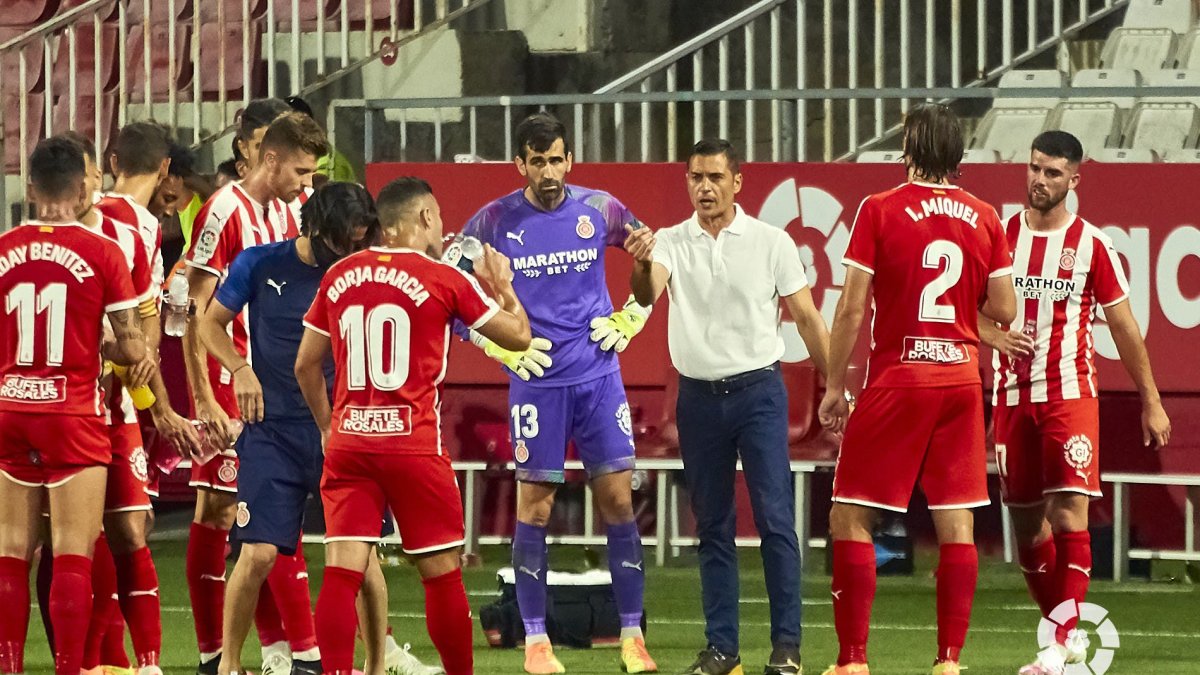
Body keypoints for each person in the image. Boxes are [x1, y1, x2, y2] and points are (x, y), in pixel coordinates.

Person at [297, 176, 532, 675]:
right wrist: (505, 288)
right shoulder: (445, 278)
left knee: (341, 573)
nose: (442, 228)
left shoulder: (339, 275)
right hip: (413, 445)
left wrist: (327, 425)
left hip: (350, 442)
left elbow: (305, 365)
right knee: (441, 574)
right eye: (439, 218)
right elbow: (517, 338)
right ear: (424, 217)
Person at [816, 104, 1017, 675]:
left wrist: (835, 386)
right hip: (959, 381)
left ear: (908, 146)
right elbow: (1004, 309)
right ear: (957, 152)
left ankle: (853, 661)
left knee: (850, 517)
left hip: (901, 379)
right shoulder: (983, 215)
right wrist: (960, 315)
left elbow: (853, 307)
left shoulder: (879, 209)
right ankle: (948, 661)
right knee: (958, 523)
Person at [461, 112, 658, 674]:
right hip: (537, 382)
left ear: (570, 159)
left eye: (557, 159)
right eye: (537, 160)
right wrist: (500, 347)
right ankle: (536, 642)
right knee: (537, 508)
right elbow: (446, 293)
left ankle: (630, 638)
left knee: (619, 502)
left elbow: (652, 263)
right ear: (519, 163)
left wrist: (636, 308)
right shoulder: (493, 220)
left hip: (599, 377)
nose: (549, 171)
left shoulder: (602, 209)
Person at [625, 138, 831, 675]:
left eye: (715, 177)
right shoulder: (669, 241)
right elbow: (647, 296)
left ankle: (787, 648)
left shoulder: (771, 242)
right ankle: (723, 649)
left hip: (759, 394)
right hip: (698, 399)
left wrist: (833, 384)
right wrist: (640, 265)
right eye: (696, 177)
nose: (705, 187)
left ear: (738, 182)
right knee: (712, 527)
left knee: (776, 521)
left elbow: (807, 318)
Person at [982, 131, 1171, 675]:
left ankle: (1058, 648)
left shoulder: (1093, 245)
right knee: (1026, 530)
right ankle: (1064, 638)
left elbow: (1125, 327)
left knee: (1069, 513)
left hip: (1070, 396)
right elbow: (958, 307)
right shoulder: (998, 235)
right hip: (1012, 399)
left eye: (1053, 173)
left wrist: (1150, 400)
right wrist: (991, 335)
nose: (1040, 180)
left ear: (1074, 180)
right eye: (1035, 168)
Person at [182, 108, 327, 675]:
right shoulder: (224, 210)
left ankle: (281, 651)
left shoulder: (294, 210)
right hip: (231, 380)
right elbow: (198, 310)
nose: (306, 184)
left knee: (266, 517)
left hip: (276, 389)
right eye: (300, 171)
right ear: (269, 158)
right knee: (220, 510)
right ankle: (213, 653)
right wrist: (204, 399)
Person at [0, 137, 147, 675]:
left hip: (11, 409)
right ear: (84, 186)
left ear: (31, 187)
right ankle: (68, 668)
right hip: (73, 414)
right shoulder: (103, 250)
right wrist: (109, 345)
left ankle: (10, 666)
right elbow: (132, 347)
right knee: (72, 552)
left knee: (12, 552)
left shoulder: (3, 246)